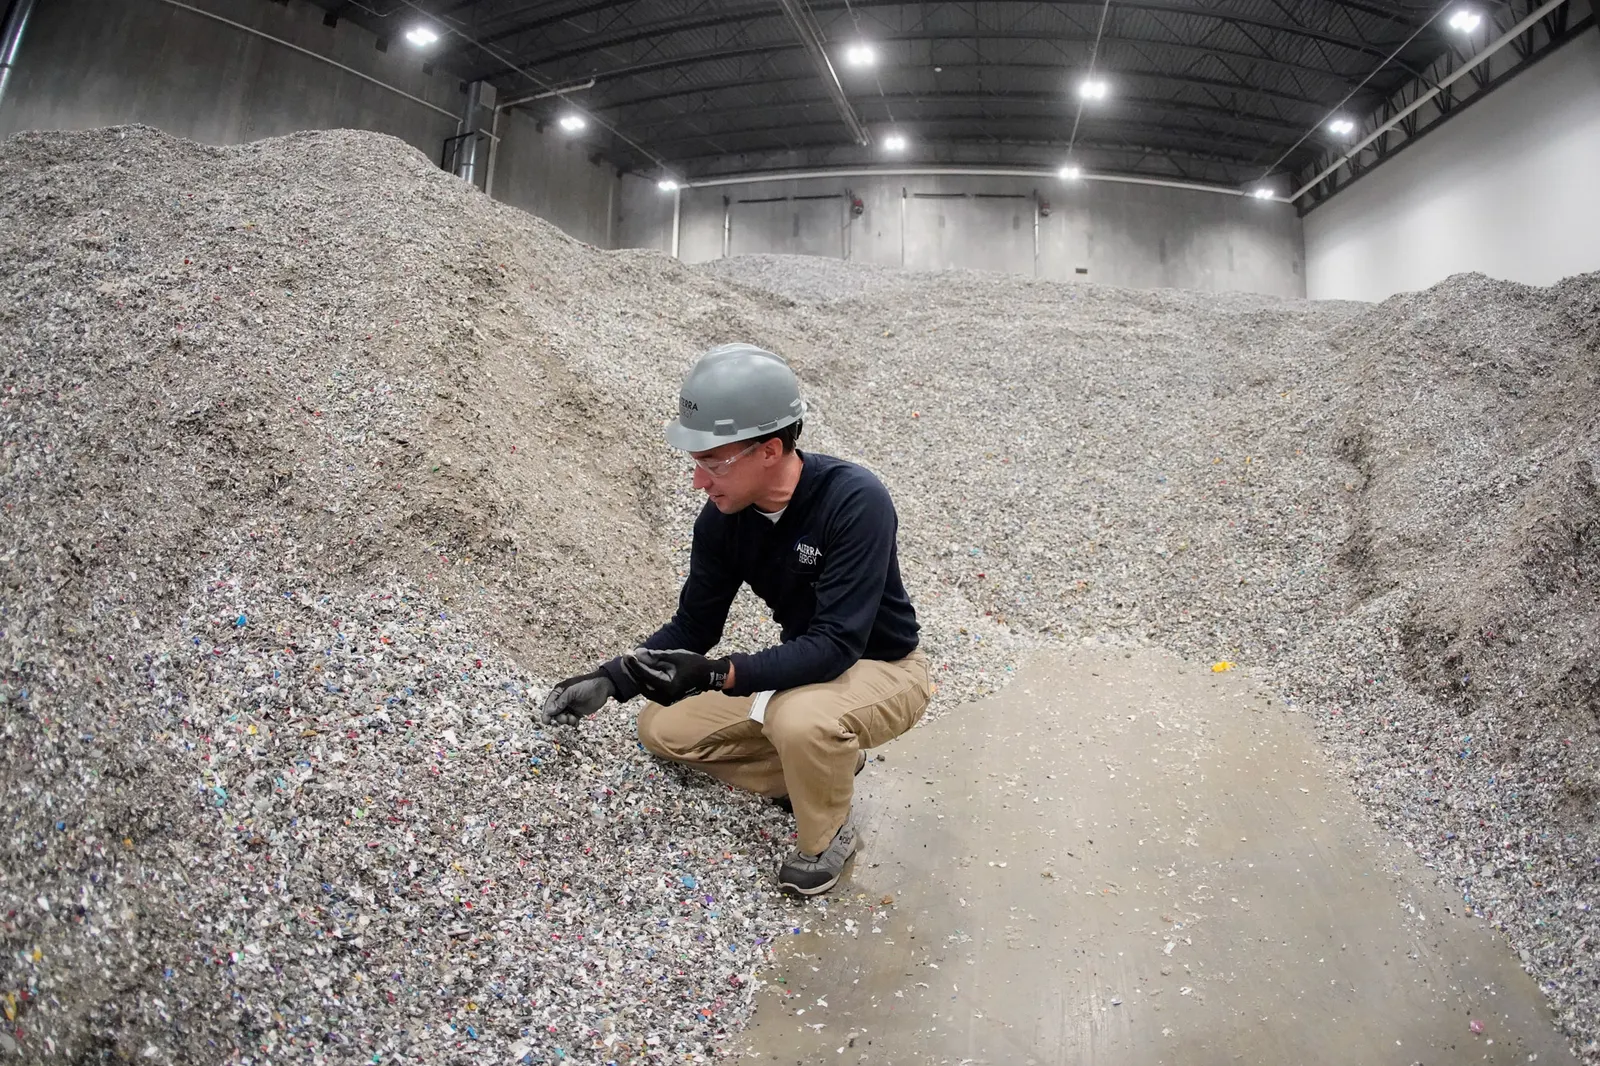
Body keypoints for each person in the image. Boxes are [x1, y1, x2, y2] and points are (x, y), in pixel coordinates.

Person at [541, 342, 932, 895]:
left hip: (884, 669)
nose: (700, 481)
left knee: (799, 719)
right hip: (810, 672)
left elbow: (838, 643)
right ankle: (824, 768)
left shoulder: (854, 500)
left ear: (770, 449)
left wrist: (717, 674)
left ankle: (827, 833)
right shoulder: (723, 521)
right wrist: (614, 677)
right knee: (661, 729)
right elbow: (695, 626)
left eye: (712, 462)